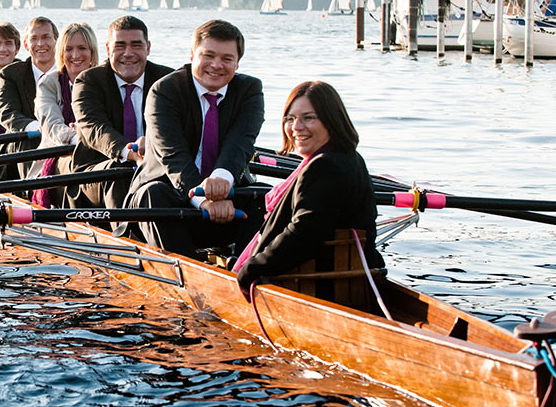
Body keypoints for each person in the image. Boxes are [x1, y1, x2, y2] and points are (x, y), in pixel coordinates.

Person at [125, 19, 265, 256]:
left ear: (238, 63)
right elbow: (173, 155)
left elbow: (240, 143)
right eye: (208, 55)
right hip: (170, 197)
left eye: (227, 59)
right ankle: (189, 279)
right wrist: (203, 198)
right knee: (153, 194)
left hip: (227, 201)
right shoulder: (164, 90)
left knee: (266, 197)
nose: (216, 65)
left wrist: (221, 184)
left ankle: (247, 271)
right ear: (192, 54)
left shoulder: (250, 89)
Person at [234, 81, 380, 292]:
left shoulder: (323, 166)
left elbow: (304, 233)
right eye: (290, 119)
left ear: (332, 120)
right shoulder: (352, 158)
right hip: (348, 277)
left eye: (308, 118)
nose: (296, 128)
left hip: (320, 284)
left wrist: (251, 269)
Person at [70, 16, 174, 209]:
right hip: (97, 169)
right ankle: (125, 234)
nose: (128, 53)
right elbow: (94, 128)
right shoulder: (88, 81)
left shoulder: (168, 81)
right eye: (119, 46)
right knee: (120, 170)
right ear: (108, 49)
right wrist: (129, 151)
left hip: (155, 165)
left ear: (148, 48)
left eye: (136, 45)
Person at [30, 22, 99, 206]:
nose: (75, 55)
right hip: (59, 154)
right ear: (61, 53)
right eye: (69, 49)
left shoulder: (102, 80)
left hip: (99, 153)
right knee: (77, 169)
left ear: (92, 51)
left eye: (82, 48)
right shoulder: (48, 83)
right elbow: (52, 126)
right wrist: (81, 137)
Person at [0, 16, 59, 177]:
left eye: (46, 37)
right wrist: (37, 127)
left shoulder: (70, 71)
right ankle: (31, 191)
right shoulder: (10, 74)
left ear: (56, 41)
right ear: (25, 44)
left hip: (64, 138)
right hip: (29, 141)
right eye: (34, 39)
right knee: (25, 143)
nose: (40, 44)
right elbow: (6, 113)